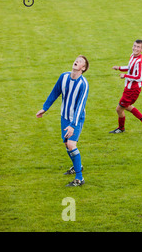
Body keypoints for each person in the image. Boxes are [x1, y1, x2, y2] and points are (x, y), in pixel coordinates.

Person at [36, 56, 89, 187]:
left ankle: (79, 178)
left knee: (71, 144)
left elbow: (80, 106)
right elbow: (55, 93)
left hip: (76, 118)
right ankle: (78, 166)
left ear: (83, 68)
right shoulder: (64, 77)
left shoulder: (83, 84)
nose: (77, 61)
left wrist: (73, 125)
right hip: (64, 116)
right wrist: (45, 108)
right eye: (77, 59)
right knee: (66, 144)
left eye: (81, 61)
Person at [110, 40, 142, 134]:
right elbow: (130, 67)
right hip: (129, 88)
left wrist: (125, 76)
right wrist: (119, 68)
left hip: (133, 90)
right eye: (134, 46)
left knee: (119, 109)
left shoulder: (141, 62)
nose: (135, 48)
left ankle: (121, 128)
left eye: (138, 47)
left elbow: (140, 78)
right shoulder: (132, 55)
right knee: (126, 106)